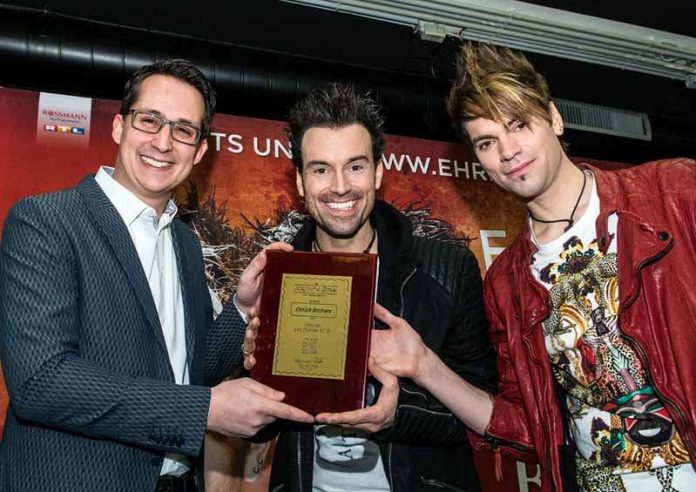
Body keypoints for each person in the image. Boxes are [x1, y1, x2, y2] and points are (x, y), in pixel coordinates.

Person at [366, 43, 696, 491]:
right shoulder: (506, 284)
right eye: (487, 142)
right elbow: (526, 428)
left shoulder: (673, 194)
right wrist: (425, 365)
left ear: (555, 119)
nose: (508, 151)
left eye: (519, 124)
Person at [0, 59, 312, 491]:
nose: (163, 142)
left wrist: (241, 308)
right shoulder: (47, 221)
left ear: (200, 151)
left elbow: (188, 373)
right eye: (149, 120)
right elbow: (40, 382)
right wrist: (203, 411)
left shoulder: (183, 242)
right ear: (119, 127)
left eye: (183, 130)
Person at [236, 82, 496, 492]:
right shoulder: (278, 276)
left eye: (355, 166)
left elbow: (489, 416)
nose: (340, 186)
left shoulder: (447, 269)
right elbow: (252, 429)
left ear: (377, 172)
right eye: (321, 169)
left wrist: (400, 412)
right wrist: (251, 364)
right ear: (301, 182)